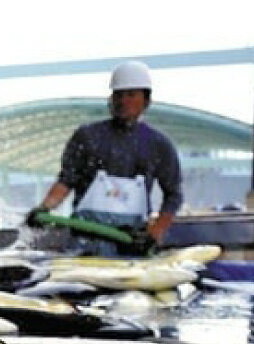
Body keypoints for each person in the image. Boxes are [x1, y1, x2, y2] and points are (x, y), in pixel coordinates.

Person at [26, 61, 183, 256]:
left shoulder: (158, 144)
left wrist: (154, 233)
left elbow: (173, 195)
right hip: (85, 243)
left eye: (131, 95)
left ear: (146, 100)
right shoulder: (87, 136)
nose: (123, 101)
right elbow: (67, 180)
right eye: (119, 95)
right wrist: (44, 208)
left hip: (131, 244)